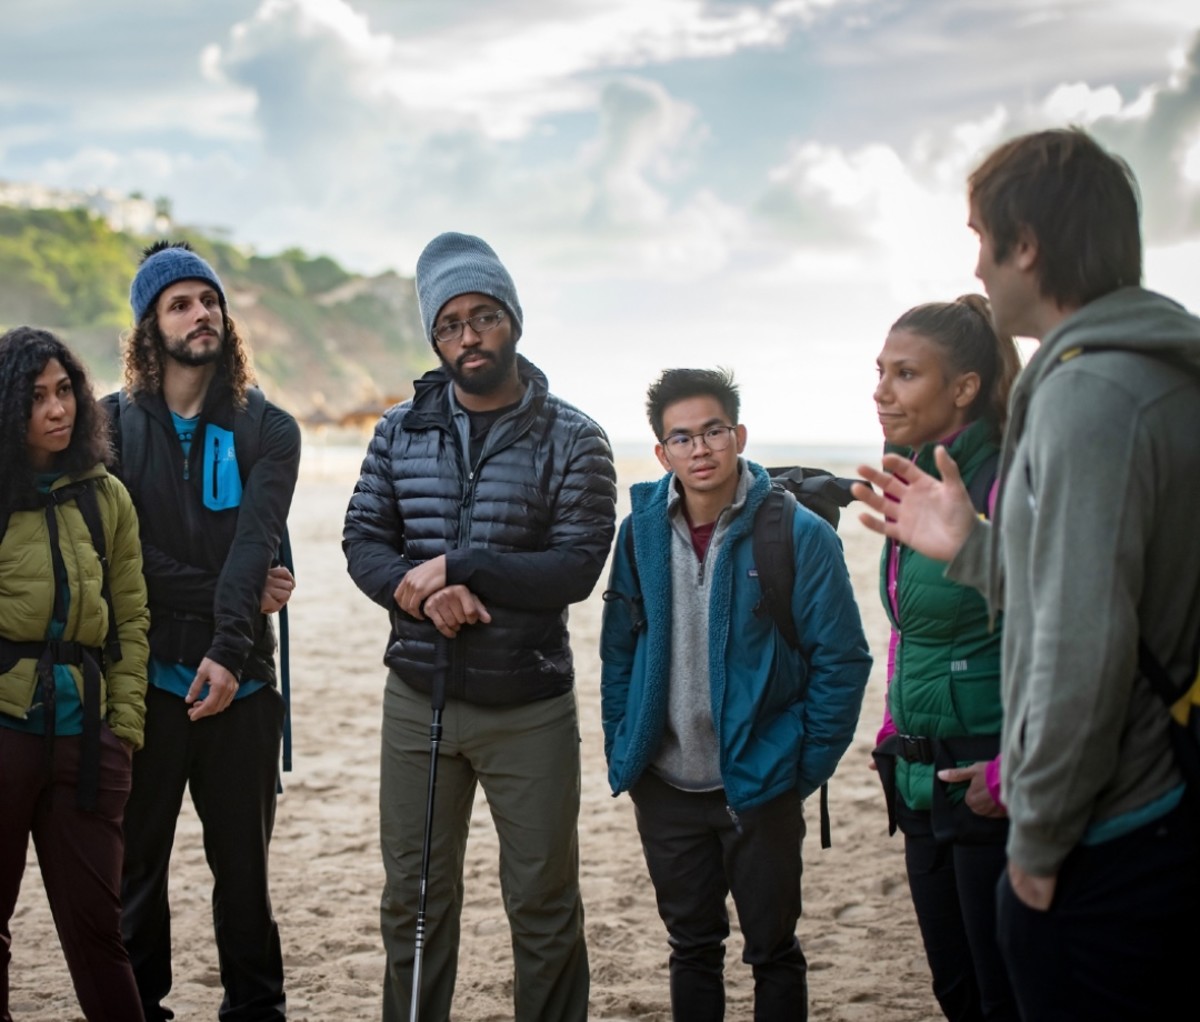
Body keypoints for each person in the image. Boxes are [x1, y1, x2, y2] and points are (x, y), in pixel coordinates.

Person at [855, 128, 1200, 1021]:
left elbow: (1079, 643)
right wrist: (971, 546)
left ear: (1028, 245)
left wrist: (1037, 848)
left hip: (1115, 828)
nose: (977, 268)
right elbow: (1080, 586)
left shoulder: (1092, 398)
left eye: (981, 238)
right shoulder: (1157, 373)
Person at [342, 231, 616, 1022]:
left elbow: (575, 568)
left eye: (484, 317)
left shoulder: (575, 437)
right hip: (416, 699)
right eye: (451, 324)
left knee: (542, 902)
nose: (469, 337)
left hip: (527, 705)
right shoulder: (399, 429)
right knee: (414, 902)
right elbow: (364, 542)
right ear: (435, 336)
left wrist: (465, 566)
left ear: (514, 320)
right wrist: (418, 593)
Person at [599, 367, 872, 1021]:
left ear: (739, 435)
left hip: (761, 786)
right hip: (665, 789)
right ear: (662, 452)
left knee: (773, 951)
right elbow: (618, 655)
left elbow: (843, 662)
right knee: (692, 949)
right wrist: (627, 746)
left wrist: (796, 767)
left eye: (714, 430)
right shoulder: (638, 536)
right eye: (682, 437)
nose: (701, 449)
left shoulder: (800, 535)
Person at [105, 241, 301, 1022]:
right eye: (179, 304)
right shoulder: (109, 426)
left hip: (244, 684)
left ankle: (256, 1012)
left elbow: (257, 540)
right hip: (144, 681)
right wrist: (239, 592)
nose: (201, 315)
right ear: (150, 327)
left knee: (245, 876)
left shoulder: (269, 429)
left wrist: (228, 641)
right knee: (137, 871)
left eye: (209, 300)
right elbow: (129, 562)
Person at [869, 296, 1021, 1022]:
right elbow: (916, 627)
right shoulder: (916, 479)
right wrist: (893, 730)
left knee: (1005, 996)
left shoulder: (1004, 481)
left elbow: (1060, 630)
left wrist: (1010, 767)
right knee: (954, 992)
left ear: (962, 387)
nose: (881, 391)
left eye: (906, 373)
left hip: (990, 774)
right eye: (880, 372)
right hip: (921, 772)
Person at [0, 326, 150, 1021]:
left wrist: (123, 728)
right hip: (4, 733)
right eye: (36, 397)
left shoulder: (106, 495)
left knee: (99, 932)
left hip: (87, 739)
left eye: (66, 391)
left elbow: (130, 619)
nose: (57, 409)